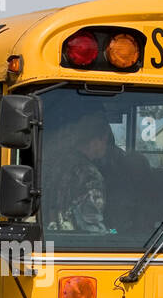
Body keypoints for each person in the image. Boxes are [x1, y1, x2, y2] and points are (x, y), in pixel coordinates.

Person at [44, 99, 115, 233]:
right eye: (106, 140)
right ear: (95, 139)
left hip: (53, 237)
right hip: (77, 243)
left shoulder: (56, 164)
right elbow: (91, 225)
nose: (107, 146)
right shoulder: (89, 175)